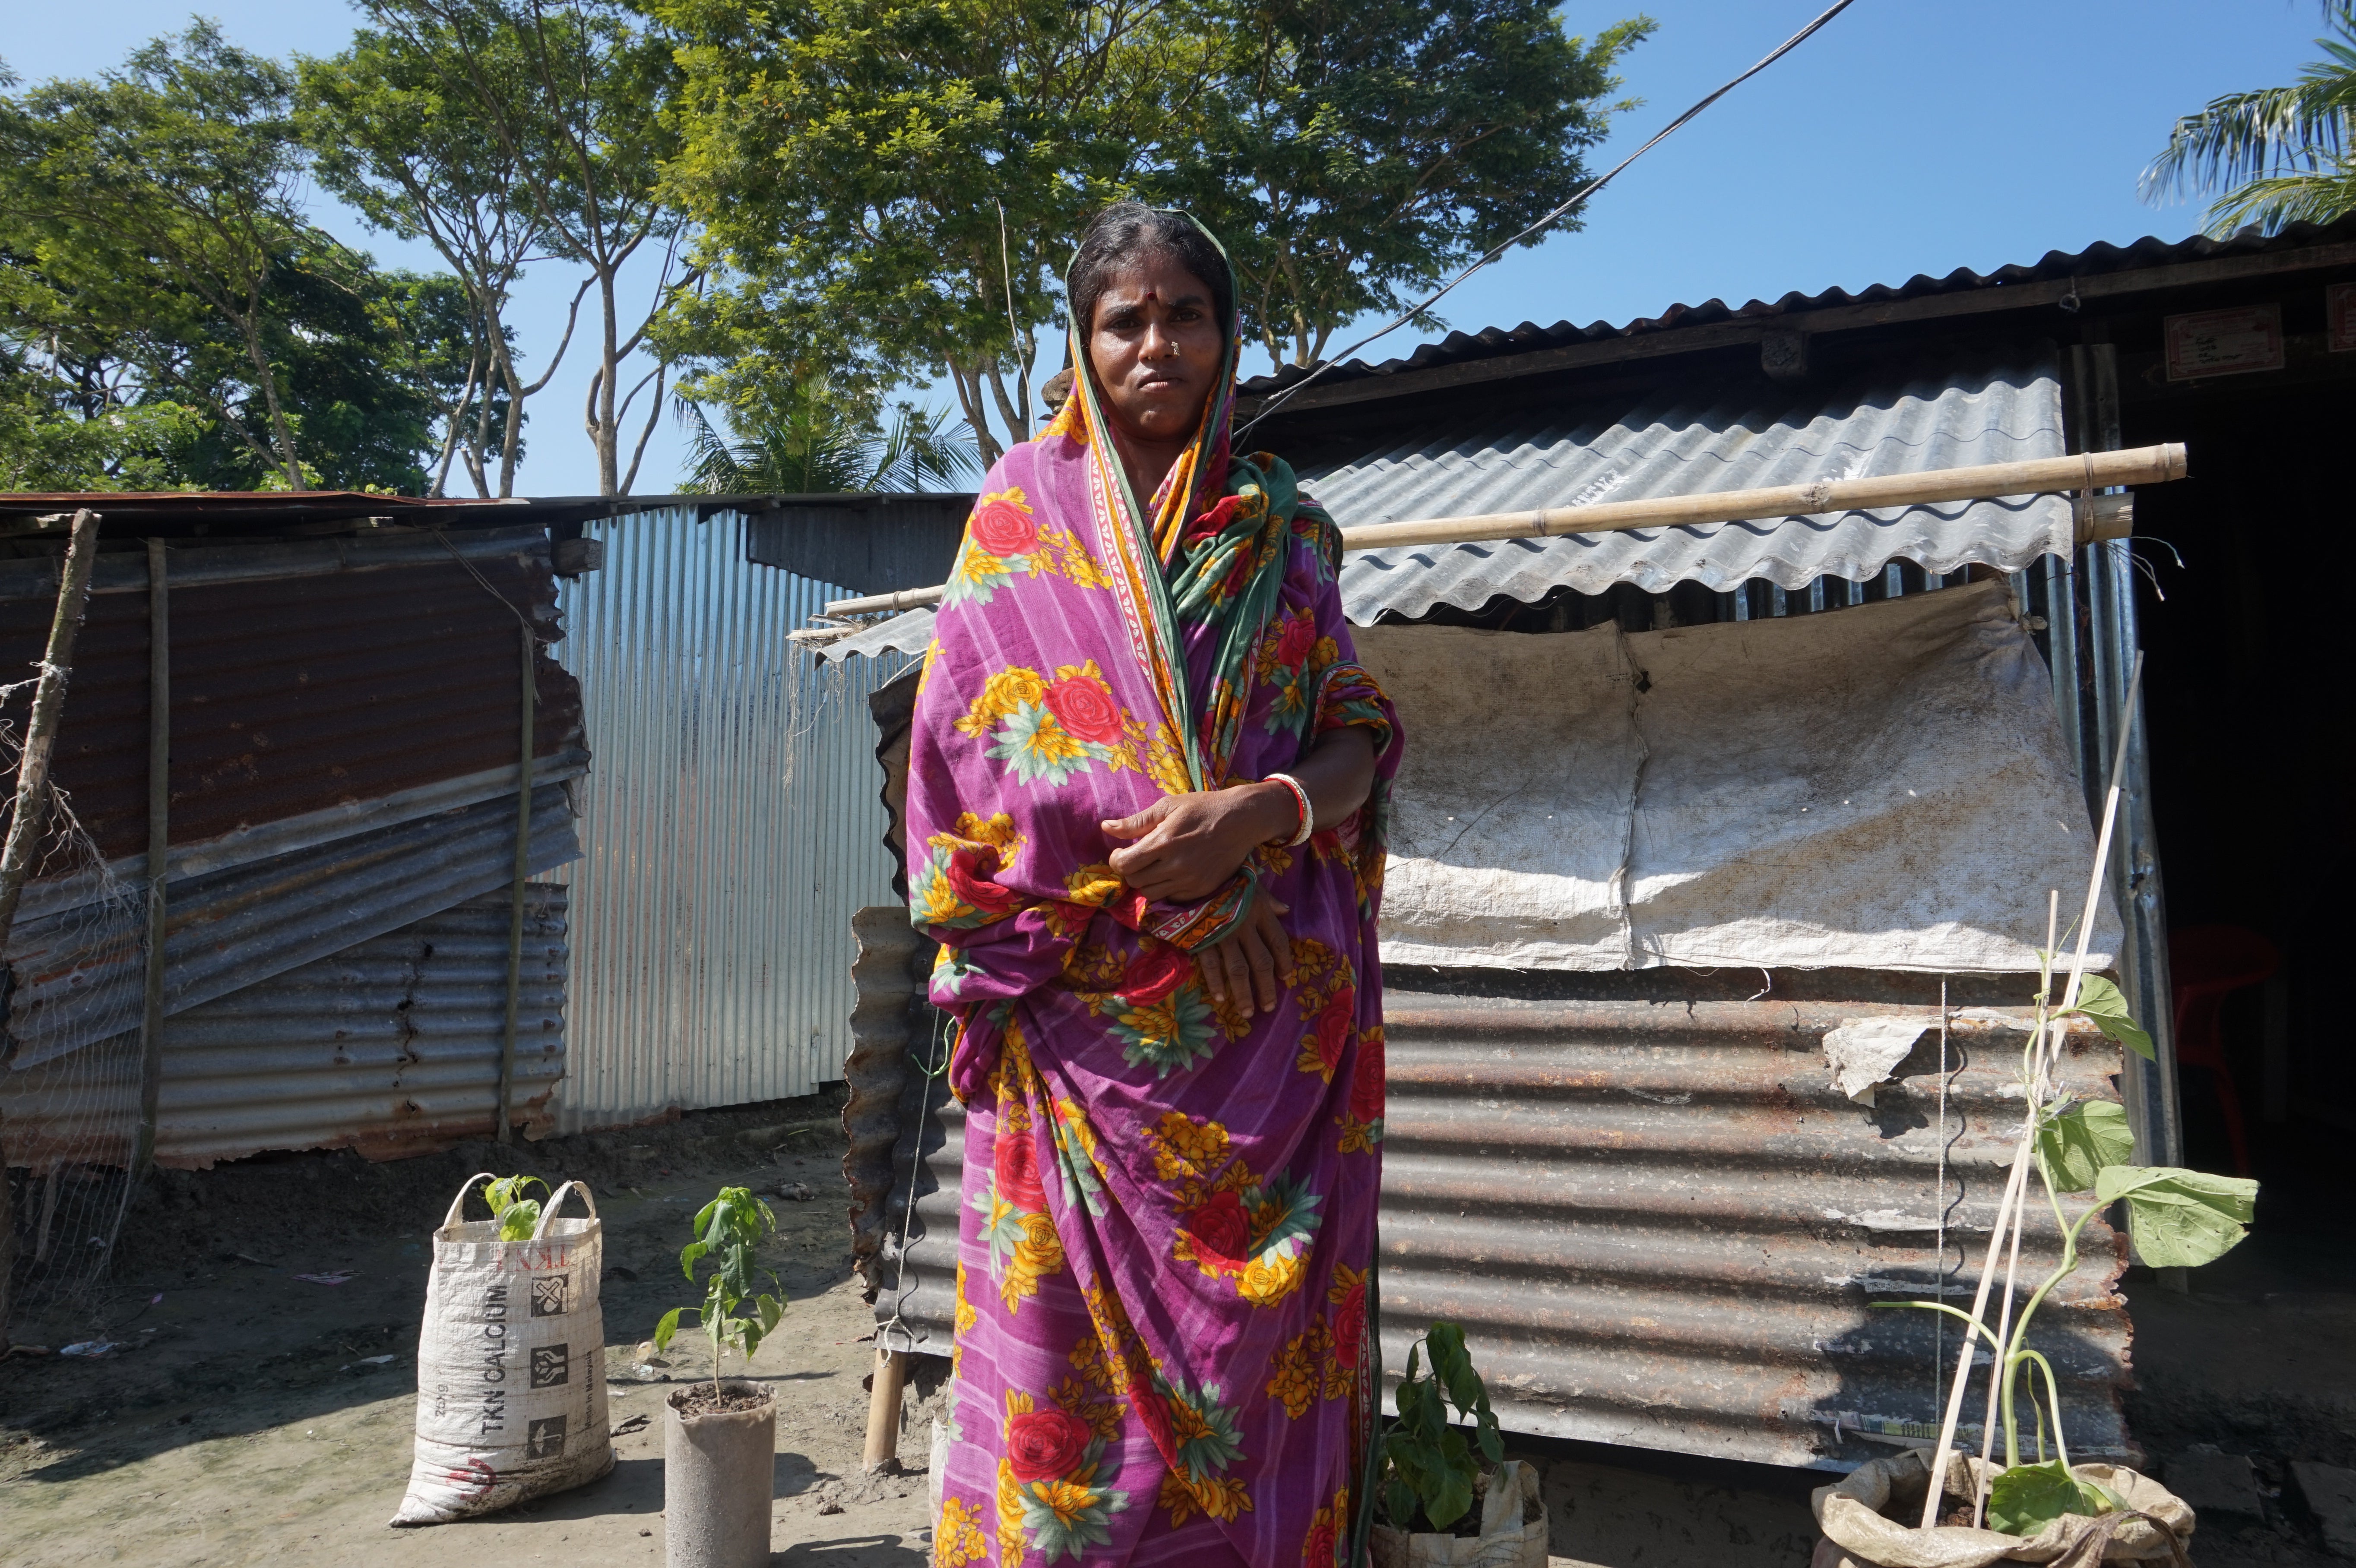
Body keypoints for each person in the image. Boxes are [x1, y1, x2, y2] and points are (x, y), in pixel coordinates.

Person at [904, 200, 1403, 1568]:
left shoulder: (1286, 541)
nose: (1157, 343)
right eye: (1126, 319)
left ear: (1229, 343)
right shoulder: (1016, 527)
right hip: (1086, 1050)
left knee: (1265, 1421)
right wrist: (1189, 897)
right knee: (1073, 1431)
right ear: (1081, 347)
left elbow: (1358, 737)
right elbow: (975, 771)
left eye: (1186, 314)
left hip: (1266, 1070)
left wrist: (1263, 814)